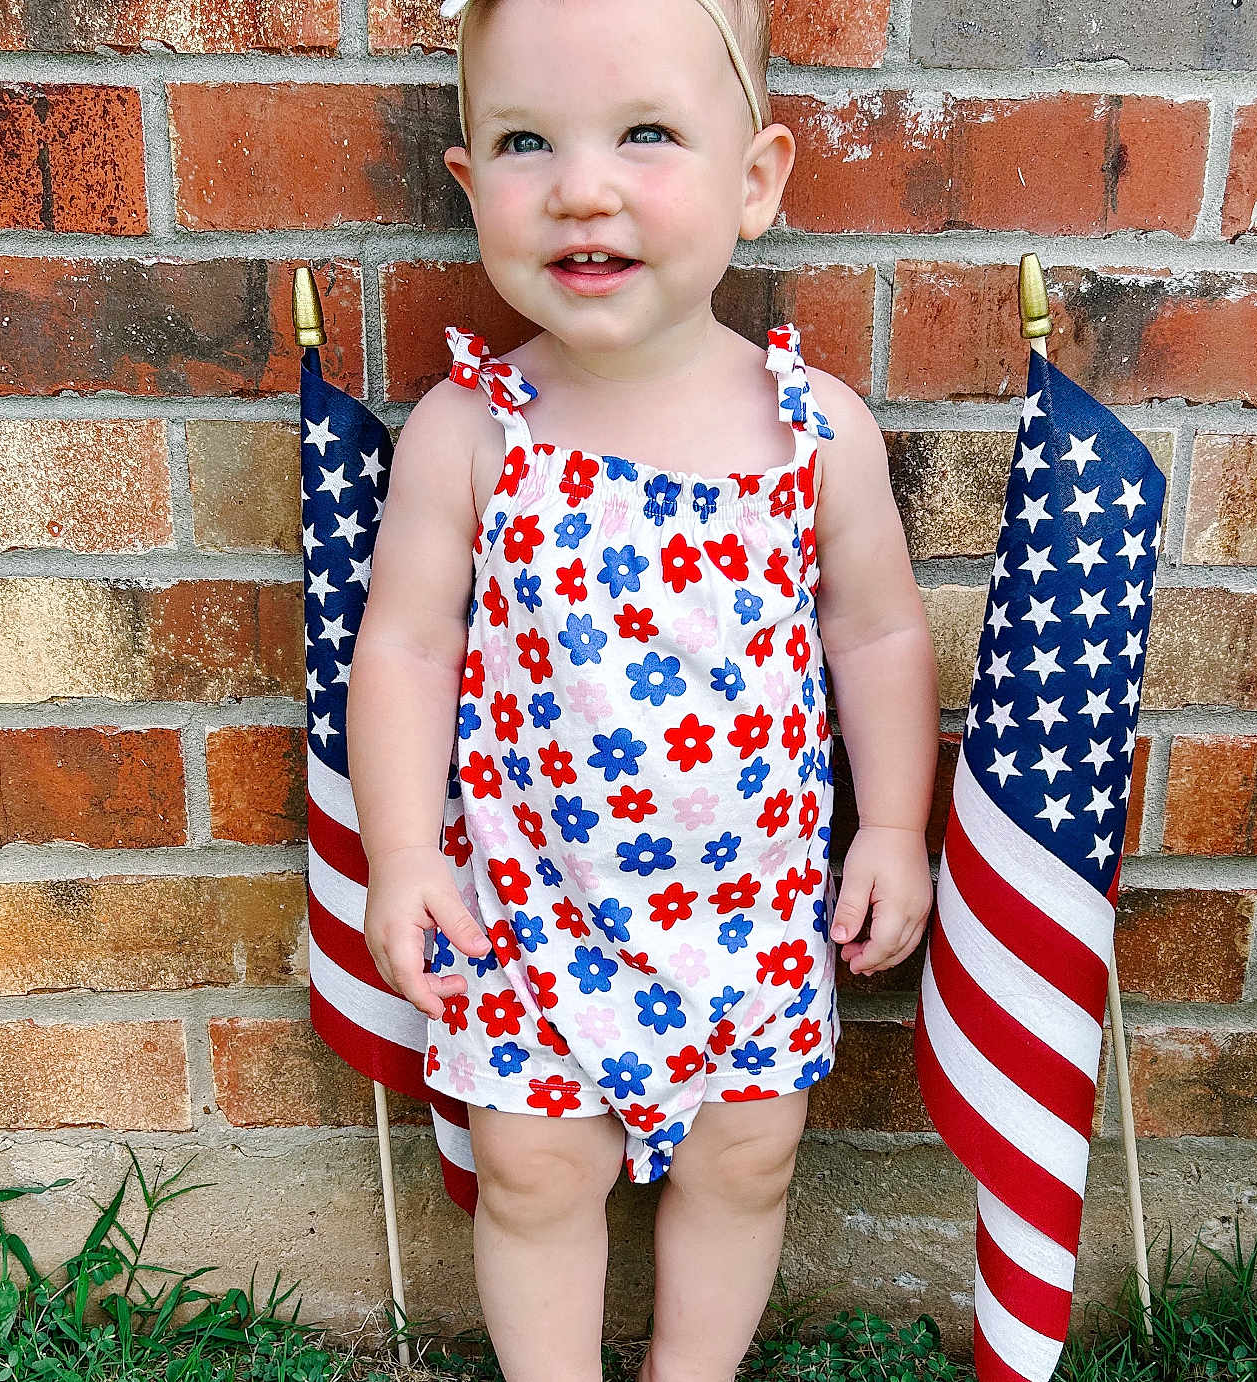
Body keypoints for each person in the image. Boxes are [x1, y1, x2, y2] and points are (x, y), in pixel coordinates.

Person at [345, 0, 939, 1377]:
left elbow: (877, 637)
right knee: (534, 1175)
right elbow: (406, 649)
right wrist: (392, 854)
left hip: (749, 906)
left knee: (745, 1161)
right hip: (532, 907)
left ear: (756, 179)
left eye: (646, 134)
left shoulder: (811, 430)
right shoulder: (471, 431)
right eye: (524, 142)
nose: (582, 187)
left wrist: (894, 828)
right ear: (468, 182)